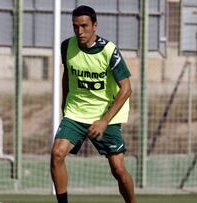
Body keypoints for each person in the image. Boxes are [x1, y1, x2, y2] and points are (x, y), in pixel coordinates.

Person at [50, 5, 137, 203]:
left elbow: (126, 89)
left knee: (118, 170)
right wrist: (65, 105)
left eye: (84, 26)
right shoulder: (67, 46)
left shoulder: (109, 51)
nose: (80, 31)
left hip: (106, 115)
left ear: (95, 26)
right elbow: (67, 75)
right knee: (57, 153)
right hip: (76, 113)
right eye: (75, 27)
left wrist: (104, 121)